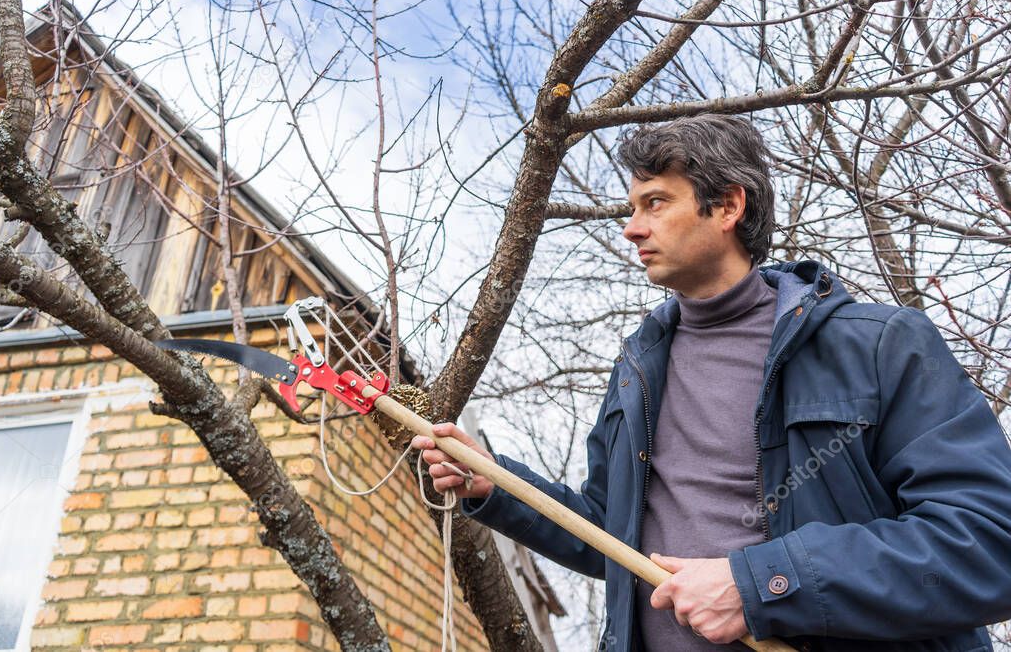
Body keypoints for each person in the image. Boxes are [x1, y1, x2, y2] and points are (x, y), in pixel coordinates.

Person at [412, 114, 1011, 651]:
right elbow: (611, 536)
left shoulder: (878, 345)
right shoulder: (636, 370)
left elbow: (989, 544)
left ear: (727, 207)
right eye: (632, 209)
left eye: (654, 203)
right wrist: (493, 485)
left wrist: (762, 584)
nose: (631, 229)